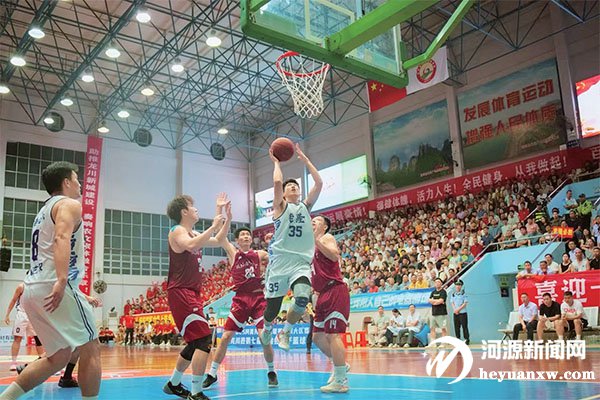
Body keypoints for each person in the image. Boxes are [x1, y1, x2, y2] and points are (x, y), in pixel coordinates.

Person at [0, 161, 100, 400]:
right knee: (91, 347)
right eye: (76, 179)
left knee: (58, 356)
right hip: (53, 284)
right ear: (66, 182)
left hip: (31, 288)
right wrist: (62, 280)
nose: (79, 184)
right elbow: (61, 237)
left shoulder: (44, 210)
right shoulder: (69, 204)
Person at [202, 205, 278, 390]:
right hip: (241, 299)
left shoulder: (260, 254)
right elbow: (221, 237)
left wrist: (272, 243)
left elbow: (277, 257)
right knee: (226, 336)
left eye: (248, 235)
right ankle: (212, 373)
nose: (246, 237)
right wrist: (226, 216)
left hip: (258, 299)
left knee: (264, 337)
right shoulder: (233, 253)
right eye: (242, 235)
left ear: (251, 239)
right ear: (237, 240)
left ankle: (271, 371)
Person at [162, 193, 228, 400]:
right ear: (184, 211)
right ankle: (196, 392)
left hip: (191, 292)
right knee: (204, 339)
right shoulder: (177, 231)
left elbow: (218, 240)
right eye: (193, 206)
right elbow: (191, 245)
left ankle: (173, 384)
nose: (196, 209)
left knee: (195, 342)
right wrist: (213, 225)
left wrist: (222, 214)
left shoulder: (193, 233)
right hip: (181, 292)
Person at [259, 144, 323, 351]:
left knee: (303, 297)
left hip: (300, 262)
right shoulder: (280, 207)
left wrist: (306, 160)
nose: (294, 187)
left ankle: (285, 332)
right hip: (279, 263)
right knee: (272, 309)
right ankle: (268, 327)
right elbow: (278, 182)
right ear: (284, 194)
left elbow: (319, 183)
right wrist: (276, 163)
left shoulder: (305, 207)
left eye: (296, 185)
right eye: (290, 186)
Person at [310, 215, 350, 393]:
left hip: (335, 289)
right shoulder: (309, 247)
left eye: (317, 221)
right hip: (321, 294)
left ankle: (341, 381)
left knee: (333, 335)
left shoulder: (326, 238)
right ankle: (341, 364)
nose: (313, 221)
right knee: (317, 337)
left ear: (325, 227)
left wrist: (315, 240)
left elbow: (334, 256)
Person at [4, 283, 45, 371]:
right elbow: (13, 300)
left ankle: (42, 362)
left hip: (34, 315)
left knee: (38, 339)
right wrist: (7, 314)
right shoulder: (21, 287)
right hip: (22, 314)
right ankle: (13, 363)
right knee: (17, 338)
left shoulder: (39, 287)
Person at [428, 278, 448, 346]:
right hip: (433, 313)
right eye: (436, 282)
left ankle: (443, 343)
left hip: (441, 313)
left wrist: (434, 301)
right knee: (432, 328)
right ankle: (433, 343)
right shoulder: (433, 292)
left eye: (439, 282)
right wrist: (436, 301)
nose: (437, 283)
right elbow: (429, 300)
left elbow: (441, 301)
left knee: (443, 328)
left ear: (441, 283)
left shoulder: (443, 292)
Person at [450, 280, 470, 345]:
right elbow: (452, 302)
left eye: (459, 285)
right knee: (456, 327)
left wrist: (458, 309)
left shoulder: (464, 293)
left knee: (464, 326)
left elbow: (465, 303)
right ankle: (458, 339)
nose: (458, 286)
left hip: (462, 313)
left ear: (461, 286)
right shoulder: (453, 294)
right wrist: (455, 310)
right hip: (455, 313)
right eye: (457, 285)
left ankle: (466, 339)